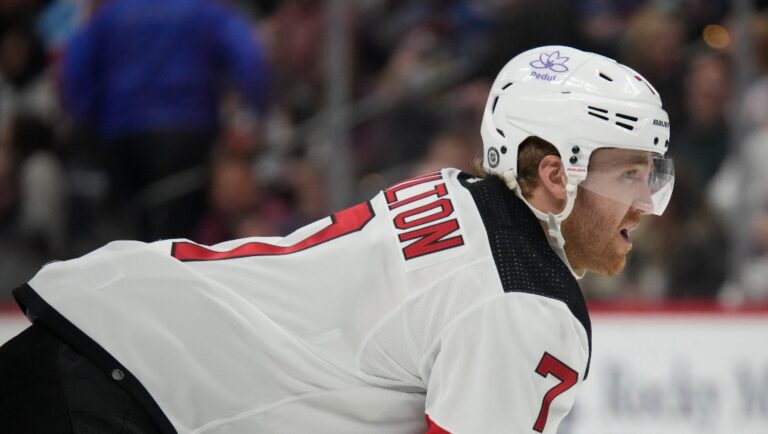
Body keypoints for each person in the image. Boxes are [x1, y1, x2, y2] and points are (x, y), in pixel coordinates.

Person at [0, 46, 675, 433]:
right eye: (629, 175)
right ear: (555, 175)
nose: (646, 204)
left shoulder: (460, 193)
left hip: (111, 333)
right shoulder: (526, 302)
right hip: (125, 395)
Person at [60, 0, 271, 242]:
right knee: (181, 233)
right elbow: (249, 57)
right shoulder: (206, 11)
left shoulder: (111, 14)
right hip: (189, 135)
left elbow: (74, 64)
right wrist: (256, 111)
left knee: (130, 232)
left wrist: (90, 116)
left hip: (122, 136)